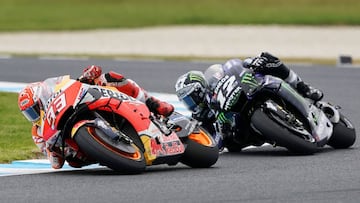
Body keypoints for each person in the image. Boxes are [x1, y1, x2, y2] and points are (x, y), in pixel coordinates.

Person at [18, 65, 174, 169]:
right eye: (29, 114)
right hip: (80, 153)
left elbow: (79, 80)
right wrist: (53, 151)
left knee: (111, 77)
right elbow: (56, 164)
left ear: (43, 97)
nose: (34, 116)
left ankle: (153, 103)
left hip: (83, 105)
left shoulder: (56, 92)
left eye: (35, 109)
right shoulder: (37, 133)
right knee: (73, 162)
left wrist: (89, 76)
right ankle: (112, 149)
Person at [175, 52, 324, 150]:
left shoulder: (216, 80)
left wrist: (251, 63)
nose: (191, 104)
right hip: (243, 133)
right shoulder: (201, 118)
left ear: (200, 88)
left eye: (191, 98)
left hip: (248, 92)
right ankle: (280, 131)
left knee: (267, 59)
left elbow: (235, 67)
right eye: (186, 101)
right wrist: (222, 133)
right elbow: (212, 144)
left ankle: (303, 87)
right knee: (233, 146)